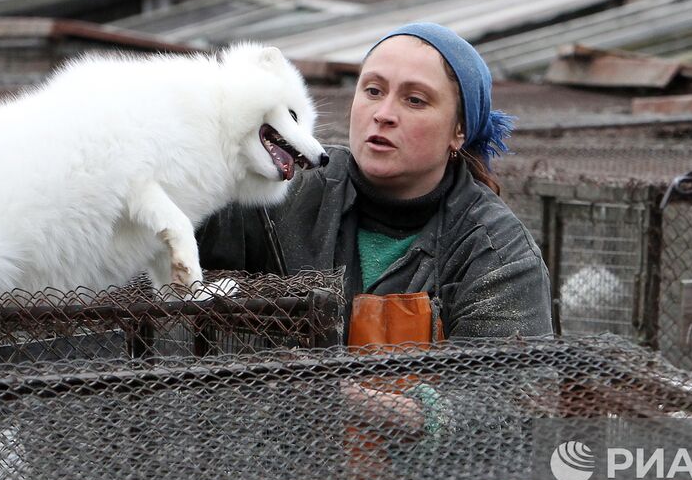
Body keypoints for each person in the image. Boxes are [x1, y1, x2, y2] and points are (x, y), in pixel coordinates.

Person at [197, 21, 554, 348]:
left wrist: (373, 404)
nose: (383, 114)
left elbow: (510, 395)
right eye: (372, 90)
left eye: (415, 100)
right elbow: (182, 223)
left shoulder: (497, 252)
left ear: (459, 130)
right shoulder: (290, 186)